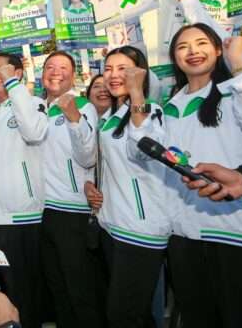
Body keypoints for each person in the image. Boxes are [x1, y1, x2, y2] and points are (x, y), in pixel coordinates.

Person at [133, 25, 242, 327]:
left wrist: (239, 62)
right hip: (186, 236)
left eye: (202, 43)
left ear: (218, 50)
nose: (192, 51)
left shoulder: (239, 89)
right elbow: (139, 150)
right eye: (183, 47)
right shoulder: (171, 106)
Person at [93, 45, 169, 327]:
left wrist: (137, 92)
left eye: (122, 69)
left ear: (140, 73)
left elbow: (143, 150)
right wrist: (93, 186)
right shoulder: (110, 117)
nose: (113, 75)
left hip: (140, 230)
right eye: (108, 69)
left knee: (125, 315)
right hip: (112, 226)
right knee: (128, 314)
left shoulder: (150, 109)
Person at [0, 52, 47, 327]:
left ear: (17, 73)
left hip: (18, 213)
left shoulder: (32, 104)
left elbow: (33, 132)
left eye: (0, 70)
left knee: (20, 286)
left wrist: (14, 86)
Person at [38, 51, 103, 327]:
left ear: (73, 75)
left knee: (80, 290)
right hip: (40, 210)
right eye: (50, 67)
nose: (55, 72)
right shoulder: (36, 108)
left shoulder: (83, 105)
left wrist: (74, 118)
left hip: (70, 210)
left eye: (63, 67)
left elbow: (88, 157)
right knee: (57, 289)